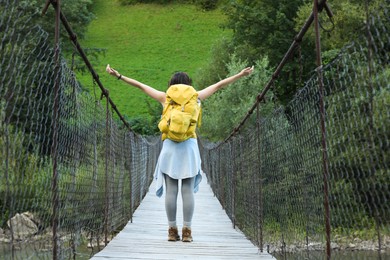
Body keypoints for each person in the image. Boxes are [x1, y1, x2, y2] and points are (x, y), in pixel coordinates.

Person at [106, 64, 254, 242]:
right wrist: (240, 74)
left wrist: (119, 76)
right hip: (189, 147)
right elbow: (219, 85)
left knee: (171, 191)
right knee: (187, 191)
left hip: (169, 147)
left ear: (172, 84)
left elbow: (140, 86)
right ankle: (187, 231)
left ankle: (171, 230)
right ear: (188, 84)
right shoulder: (195, 97)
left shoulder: (165, 98)